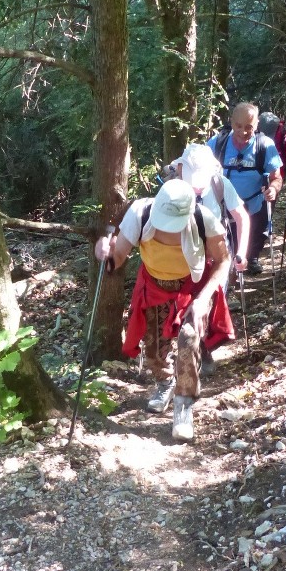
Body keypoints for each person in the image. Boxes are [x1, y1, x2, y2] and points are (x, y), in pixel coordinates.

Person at [94, 178, 233, 442]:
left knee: (188, 339)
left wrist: (203, 300)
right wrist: (103, 253)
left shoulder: (204, 220)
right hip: (154, 286)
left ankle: (183, 403)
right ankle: (165, 381)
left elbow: (223, 260)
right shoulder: (140, 214)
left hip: (193, 287)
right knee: (155, 347)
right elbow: (117, 259)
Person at [209, 102, 283, 275]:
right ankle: (230, 276)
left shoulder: (265, 145)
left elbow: (276, 177)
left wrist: (273, 188)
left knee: (256, 236)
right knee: (229, 242)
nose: (243, 132)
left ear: (257, 125)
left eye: (249, 127)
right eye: (238, 126)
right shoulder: (218, 142)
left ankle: (253, 257)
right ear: (231, 122)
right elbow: (199, 162)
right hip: (225, 206)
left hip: (255, 203)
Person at [172, 143, 250, 271]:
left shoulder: (220, 184)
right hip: (183, 261)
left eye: (201, 184)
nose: (197, 188)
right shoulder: (171, 190)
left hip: (217, 257)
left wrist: (241, 252)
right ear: (181, 170)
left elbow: (242, 217)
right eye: (193, 184)